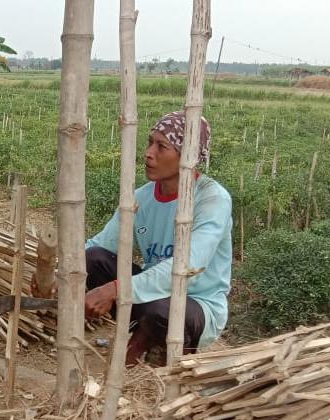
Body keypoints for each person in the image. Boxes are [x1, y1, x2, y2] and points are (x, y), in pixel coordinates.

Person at [83, 111, 232, 366]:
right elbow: (100, 244)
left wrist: (116, 289)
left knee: (164, 310)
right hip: (149, 295)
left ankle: (163, 352)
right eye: (150, 142)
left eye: (161, 146)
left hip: (196, 305)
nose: (149, 153)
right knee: (92, 259)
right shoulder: (142, 197)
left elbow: (186, 266)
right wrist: (63, 272)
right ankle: (145, 336)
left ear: (188, 156)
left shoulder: (211, 199)